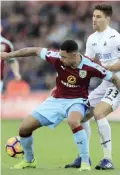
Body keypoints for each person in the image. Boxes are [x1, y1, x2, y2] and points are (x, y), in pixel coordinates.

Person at [1, 40, 120, 171]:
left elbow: (114, 78)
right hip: (56, 100)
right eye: (60, 56)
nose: (61, 59)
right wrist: (9, 55)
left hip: (77, 101)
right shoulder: (56, 57)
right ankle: (29, 161)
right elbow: (34, 50)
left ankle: (85, 162)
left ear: (74, 55)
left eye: (64, 57)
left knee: (73, 121)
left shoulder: (90, 66)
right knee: (24, 129)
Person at [65, 4, 120, 170]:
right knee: (80, 116)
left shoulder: (115, 37)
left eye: (98, 16)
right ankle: (84, 158)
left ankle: (108, 159)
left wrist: (104, 68)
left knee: (99, 113)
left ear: (107, 19)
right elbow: (87, 62)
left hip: (117, 81)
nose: (94, 19)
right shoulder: (92, 38)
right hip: (105, 82)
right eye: (93, 16)